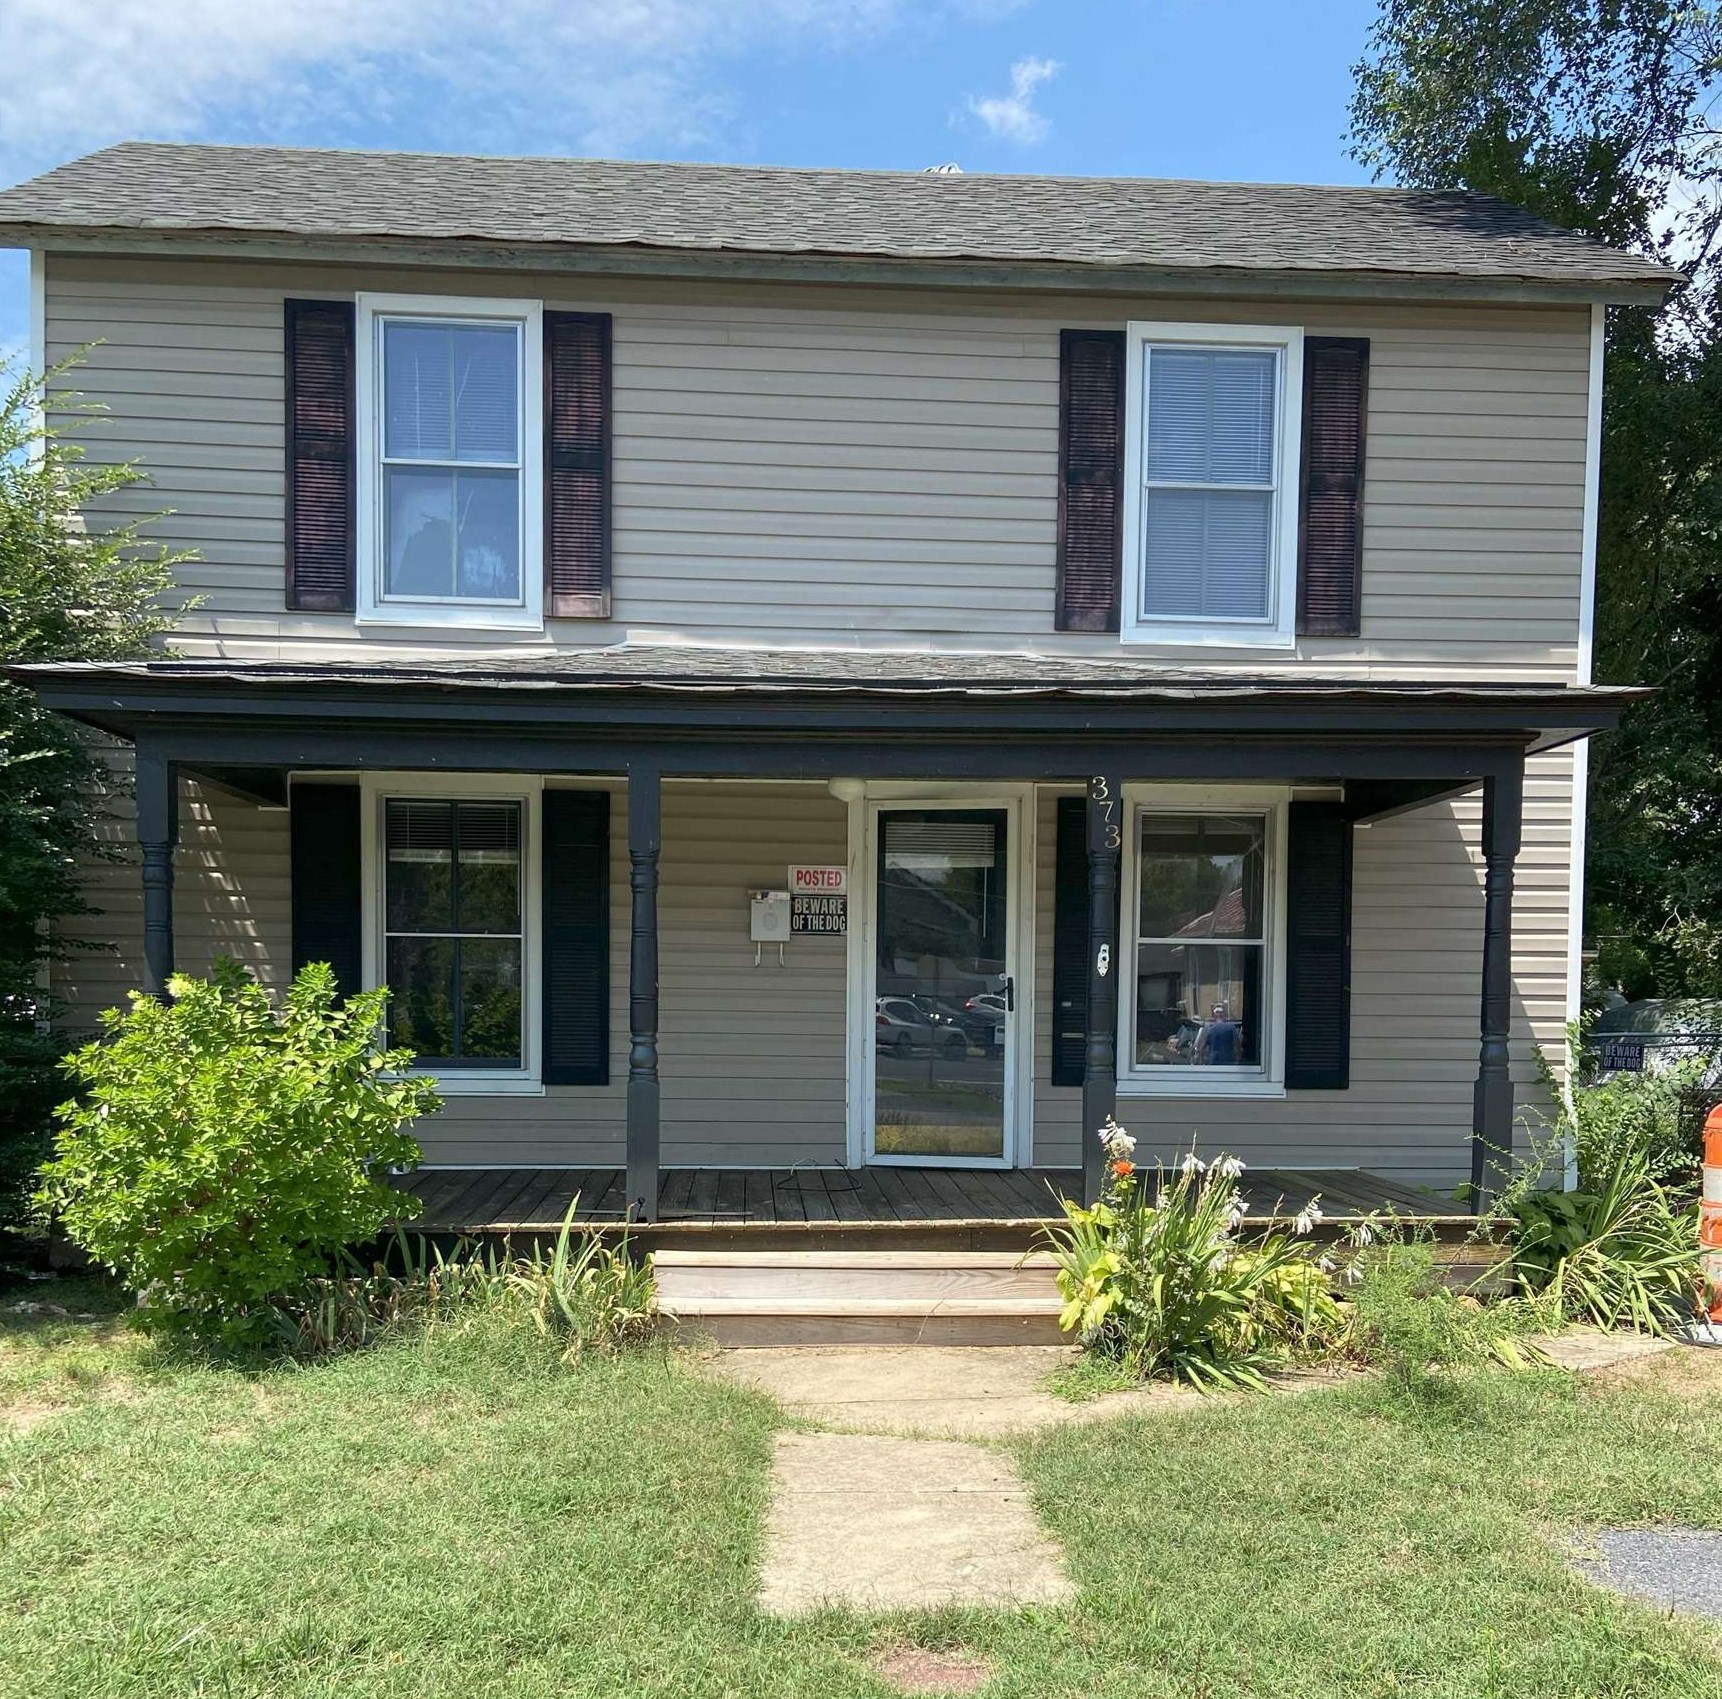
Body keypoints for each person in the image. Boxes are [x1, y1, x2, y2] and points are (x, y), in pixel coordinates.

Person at [1195, 1001, 1240, 1066]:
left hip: (1214, 1062)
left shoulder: (1210, 1029)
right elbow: (1237, 1044)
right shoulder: (1231, 1027)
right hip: (1229, 1061)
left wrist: (1201, 1062)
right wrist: (1239, 1058)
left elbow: (1202, 1047)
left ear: (1214, 1016)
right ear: (1224, 1015)